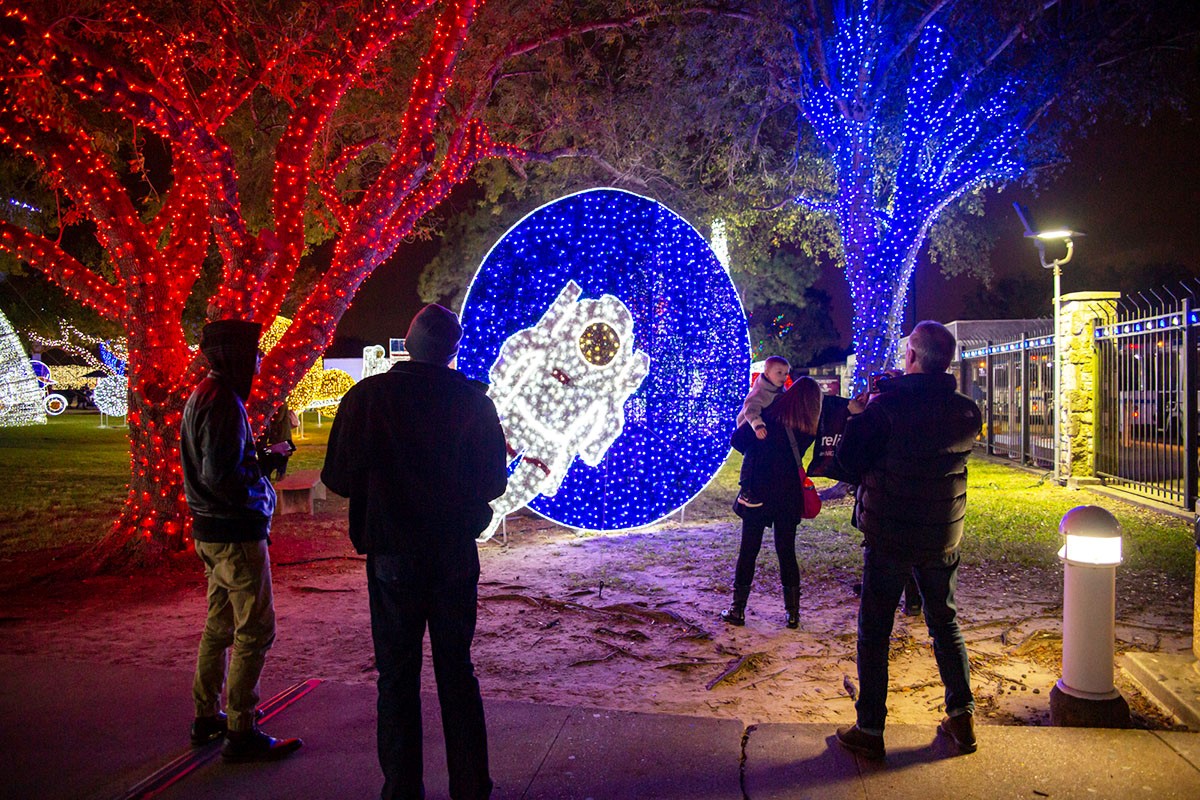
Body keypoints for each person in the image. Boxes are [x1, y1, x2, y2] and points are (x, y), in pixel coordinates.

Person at [321, 304, 507, 800]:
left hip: (394, 553)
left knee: (397, 676)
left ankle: (401, 790)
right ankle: (471, 786)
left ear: (407, 340)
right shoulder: (474, 403)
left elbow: (336, 478)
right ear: (453, 351)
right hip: (451, 551)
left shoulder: (368, 398)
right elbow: (492, 482)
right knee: (457, 672)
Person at [832, 321, 983, 760]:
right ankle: (962, 716)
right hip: (941, 531)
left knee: (875, 630)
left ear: (913, 357)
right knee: (944, 623)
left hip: (891, 532)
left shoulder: (883, 408)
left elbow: (846, 463)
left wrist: (857, 419)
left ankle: (870, 727)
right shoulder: (966, 411)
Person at [180, 319, 302, 762]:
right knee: (255, 628)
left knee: (220, 625)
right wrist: (260, 483)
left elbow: (221, 466)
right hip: (235, 535)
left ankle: (206, 715)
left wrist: (262, 460)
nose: (258, 363)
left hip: (211, 532)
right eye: (254, 355)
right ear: (235, 356)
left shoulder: (203, 396)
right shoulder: (224, 403)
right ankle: (241, 727)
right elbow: (222, 476)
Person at [721, 376, 823, 629]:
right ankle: (793, 614)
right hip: (788, 495)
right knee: (786, 552)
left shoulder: (768, 415)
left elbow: (738, 439)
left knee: (749, 550)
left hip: (758, 491)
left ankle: (738, 609)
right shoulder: (808, 427)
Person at [734, 355, 790, 508]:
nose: (784, 377)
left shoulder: (779, 391)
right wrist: (758, 425)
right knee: (751, 455)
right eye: (779, 373)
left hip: (763, 428)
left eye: (786, 373)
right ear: (767, 374)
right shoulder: (760, 391)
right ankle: (745, 490)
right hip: (749, 428)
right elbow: (751, 409)